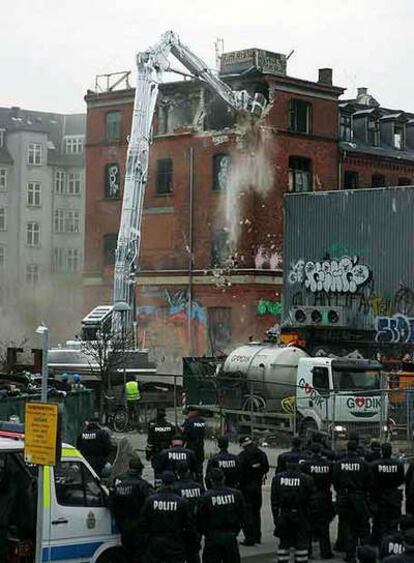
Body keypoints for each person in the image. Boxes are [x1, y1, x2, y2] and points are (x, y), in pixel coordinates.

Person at [138, 470, 198, 563]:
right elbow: (190, 526)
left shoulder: (150, 501)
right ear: (174, 483)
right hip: (175, 542)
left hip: (155, 543)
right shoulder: (182, 502)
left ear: (162, 482)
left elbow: (142, 524)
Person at [332, 440, 371, 563]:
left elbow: (335, 481)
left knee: (348, 526)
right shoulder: (363, 464)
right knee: (363, 526)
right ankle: (365, 554)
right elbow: (368, 482)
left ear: (347, 449)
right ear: (356, 450)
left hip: (344, 497)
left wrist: (341, 492)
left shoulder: (339, 464)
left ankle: (350, 555)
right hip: (359, 497)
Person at [271, 458, 316, 563]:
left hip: (284, 514)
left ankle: (282, 560)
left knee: (284, 542)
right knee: (301, 544)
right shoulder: (307, 479)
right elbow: (312, 501)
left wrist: (275, 517)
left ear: (287, 464)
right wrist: (311, 518)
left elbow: (274, 501)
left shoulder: (277, 478)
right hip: (301, 514)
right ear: (298, 465)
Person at [197, 468, 245, 563]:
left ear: (211, 480)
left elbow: (200, 519)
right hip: (230, 536)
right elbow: (242, 515)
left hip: (212, 537)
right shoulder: (236, 494)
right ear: (223, 479)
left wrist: (206, 533)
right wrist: (235, 530)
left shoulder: (205, 497)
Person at [111, 457, 153, 561]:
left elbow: (111, 502)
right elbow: (151, 503)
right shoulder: (143, 485)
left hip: (124, 525)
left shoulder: (119, 485)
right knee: (140, 554)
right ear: (140, 471)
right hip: (138, 525)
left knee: (127, 554)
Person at [301, 442, 335, 559]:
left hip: (310, 497)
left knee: (308, 525)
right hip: (324, 496)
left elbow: (302, 481)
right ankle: (325, 552)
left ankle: (308, 551)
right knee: (324, 527)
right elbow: (333, 480)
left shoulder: (305, 465)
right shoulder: (329, 464)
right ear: (321, 451)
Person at [370, 442, 405, 546]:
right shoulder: (399, 464)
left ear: (381, 451)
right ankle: (392, 544)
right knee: (393, 522)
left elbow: (371, 482)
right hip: (394, 496)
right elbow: (400, 480)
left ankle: (379, 544)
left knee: (378, 523)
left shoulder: (374, 465)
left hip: (378, 496)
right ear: (391, 451)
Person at [237, 435, 269, 546]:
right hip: (257, 486)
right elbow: (266, 468)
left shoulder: (242, 456)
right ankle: (257, 536)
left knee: (247, 513)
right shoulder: (260, 453)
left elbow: (239, 472)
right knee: (256, 511)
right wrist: (258, 473)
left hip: (246, 487)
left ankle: (249, 538)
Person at [173, 462, 204, 563]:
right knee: (194, 555)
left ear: (177, 472)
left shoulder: (174, 488)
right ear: (189, 471)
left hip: (180, 526)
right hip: (195, 525)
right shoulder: (198, 487)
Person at [146, 408, 175, 483]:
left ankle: (158, 487)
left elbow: (150, 443)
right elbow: (174, 440)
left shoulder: (153, 428)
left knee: (158, 473)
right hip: (168, 452)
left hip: (157, 453)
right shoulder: (171, 427)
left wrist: (148, 455)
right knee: (168, 470)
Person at [182, 408, 206, 484]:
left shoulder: (188, 422)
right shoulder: (202, 421)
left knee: (190, 467)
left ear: (193, 412)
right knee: (199, 468)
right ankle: (200, 483)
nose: (187, 415)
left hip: (191, 447)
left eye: (188, 413)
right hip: (200, 448)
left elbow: (185, 436)